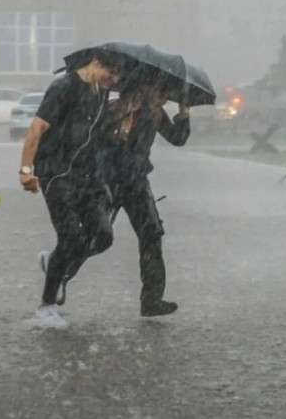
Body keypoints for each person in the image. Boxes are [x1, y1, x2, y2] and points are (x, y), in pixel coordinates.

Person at [60, 73, 191, 317]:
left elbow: (177, 139)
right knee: (95, 236)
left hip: (137, 183)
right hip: (106, 181)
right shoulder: (116, 108)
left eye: (167, 96)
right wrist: (118, 127)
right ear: (146, 89)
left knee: (151, 233)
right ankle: (59, 277)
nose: (164, 100)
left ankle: (152, 299)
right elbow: (90, 139)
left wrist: (183, 116)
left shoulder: (157, 114)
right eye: (161, 93)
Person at [19, 50, 132, 325]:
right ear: (95, 63)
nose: (113, 81)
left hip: (88, 174)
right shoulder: (64, 87)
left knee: (103, 237)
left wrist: (122, 127)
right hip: (56, 173)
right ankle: (46, 307)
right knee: (70, 238)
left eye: (117, 77)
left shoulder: (100, 91)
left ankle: (56, 264)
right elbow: (36, 130)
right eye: (110, 74)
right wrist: (26, 170)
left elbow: (94, 134)